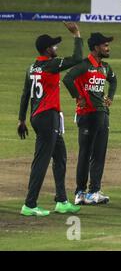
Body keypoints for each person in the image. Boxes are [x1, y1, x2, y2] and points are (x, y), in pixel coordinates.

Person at [17, 22, 83, 216]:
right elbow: (78, 58)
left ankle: (62, 200)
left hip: (38, 116)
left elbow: (24, 95)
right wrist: (77, 35)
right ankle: (29, 204)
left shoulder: (32, 68)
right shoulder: (51, 65)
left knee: (60, 156)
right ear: (47, 49)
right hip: (48, 117)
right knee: (42, 160)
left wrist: (21, 120)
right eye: (54, 46)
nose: (56, 48)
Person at [63, 32, 117, 205]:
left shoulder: (105, 67)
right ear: (96, 47)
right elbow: (67, 79)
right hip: (87, 115)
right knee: (85, 154)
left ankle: (94, 191)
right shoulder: (84, 65)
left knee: (99, 154)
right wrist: (78, 97)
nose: (108, 48)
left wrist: (111, 97)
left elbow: (114, 81)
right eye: (105, 45)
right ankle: (80, 192)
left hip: (102, 114)